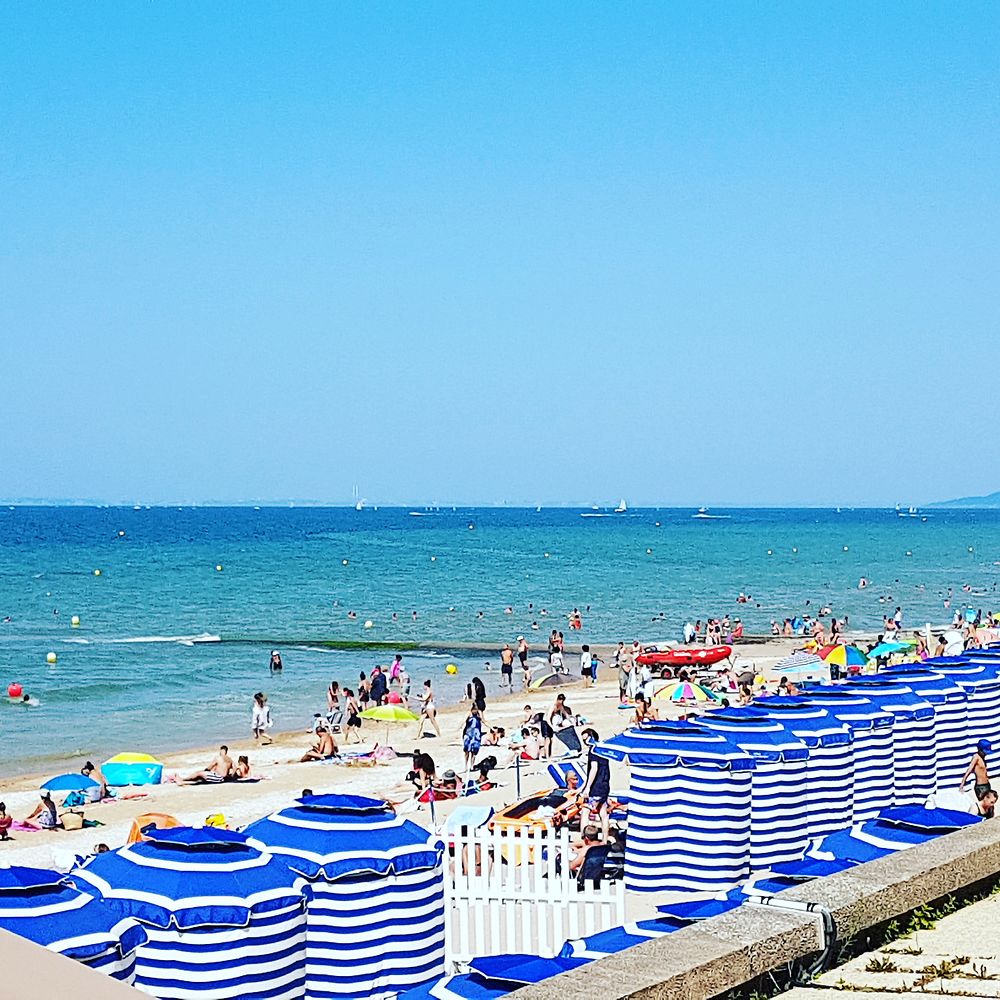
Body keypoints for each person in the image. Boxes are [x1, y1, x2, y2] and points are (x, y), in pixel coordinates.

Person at [580, 729, 611, 842]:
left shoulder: (593, 751)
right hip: (605, 786)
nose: (585, 743)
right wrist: (582, 787)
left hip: (596, 788)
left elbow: (594, 769)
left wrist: (587, 788)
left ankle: (585, 840)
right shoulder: (603, 750)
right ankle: (604, 840)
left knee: (585, 811)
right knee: (603, 813)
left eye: (586, 740)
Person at [463, 704, 483, 771]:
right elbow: (463, 721)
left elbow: (483, 721)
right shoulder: (469, 714)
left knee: (474, 751)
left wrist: (491, 727)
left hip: (476, 734)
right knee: (467, 751)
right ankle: (466, 765)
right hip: (469, 733)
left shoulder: (479, 714)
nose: (475, 711)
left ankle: (472, 765)